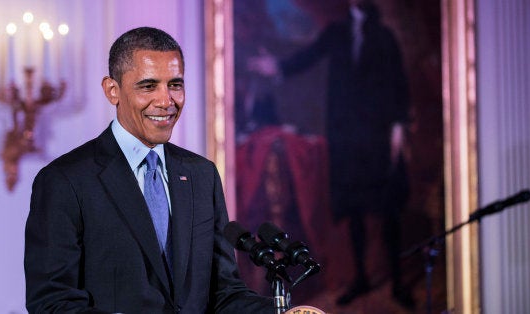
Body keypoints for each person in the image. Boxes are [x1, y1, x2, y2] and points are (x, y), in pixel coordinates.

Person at [24, 26, 273, 313]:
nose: (166, 101)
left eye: (175, 85)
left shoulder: (201, 175)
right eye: (148, 86)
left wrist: (283, 311)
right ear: (112, 90)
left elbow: (224, 292)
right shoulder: (66, 180)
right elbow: (52, 302)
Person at [249, 0, 414, 308]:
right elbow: (308, 57)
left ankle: (398, 281)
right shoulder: (337, 33)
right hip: (347, 139)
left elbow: (398, 83)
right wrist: (278, 67)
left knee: (388, 210)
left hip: (378, 137)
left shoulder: (384, 35)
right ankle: (361, 277)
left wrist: (398, 126)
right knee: (353, 211)